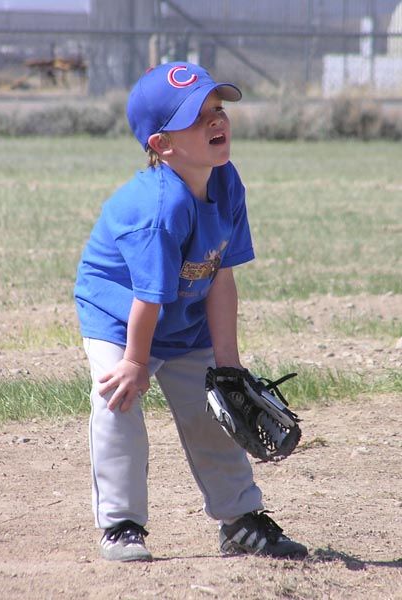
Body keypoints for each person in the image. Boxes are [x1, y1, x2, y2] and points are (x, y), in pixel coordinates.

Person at [74, 61, 308, 563]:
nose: (216, 121)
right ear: (162, 145)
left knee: (214, 409)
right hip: (121, 314)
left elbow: (222, 277)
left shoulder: (226, 184)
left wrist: (227, 366)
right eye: (197, 117)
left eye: (217, 109)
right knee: (117, 402)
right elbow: (146, 297)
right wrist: (135, 364)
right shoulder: (160, 208)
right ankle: (121, 524)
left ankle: (240, 520)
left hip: (184, 312)